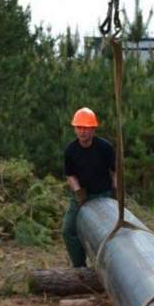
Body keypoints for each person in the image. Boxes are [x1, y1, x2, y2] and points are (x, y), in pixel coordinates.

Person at [61, 107, 116, 267]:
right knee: (69, 230)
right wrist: (78, 192)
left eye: (85, 128)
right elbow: (70, 175)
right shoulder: (70, 150)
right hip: (82, 196)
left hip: (103, 195)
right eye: (79, 127)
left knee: (107, 233)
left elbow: (115, 172)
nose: (82, 131)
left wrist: (116, 193)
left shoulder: (105, 148)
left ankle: (108, 267)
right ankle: (79, 267)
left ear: (93, 129)